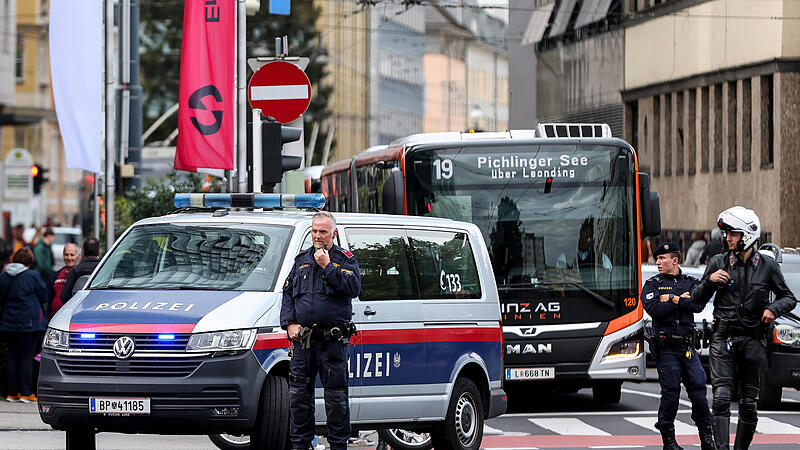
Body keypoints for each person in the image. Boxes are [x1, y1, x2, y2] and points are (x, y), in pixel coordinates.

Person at [693, 206, 797, 449]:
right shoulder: (718, 262)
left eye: (733, 233)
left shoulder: (768, 266)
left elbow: (788, 297)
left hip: (753, 339)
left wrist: (773, 309)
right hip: (722, 337)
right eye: (726, 233)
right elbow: (696, 301)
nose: (727, 238)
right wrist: (709, 281)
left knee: (749, 404)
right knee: (720, 399)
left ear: (748, 234)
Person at [280, 211, 361, 450]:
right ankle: (301, 446)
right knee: (299, 400)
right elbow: (287, 293)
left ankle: (338, 446)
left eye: (323, 232)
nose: (317, 236)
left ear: (333, 233)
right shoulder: (301, 260)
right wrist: (289, 324)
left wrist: (327, 267)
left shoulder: (344, 259)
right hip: (304, 343)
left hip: (332, 343)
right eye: (314, 231)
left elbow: (353, 287)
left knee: (336, 400)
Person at [642, 242, 714, 450]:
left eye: (662, 258)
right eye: (657, 259)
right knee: (671, 393)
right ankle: (669, 440)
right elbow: (654, 308)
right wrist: (680, 302)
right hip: (666, 349)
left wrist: (672, 299)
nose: (658, 262)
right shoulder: (652, 283)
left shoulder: (691, 282)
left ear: (675, 260)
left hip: (688, 347)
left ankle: (706, 437)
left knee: (699, 390)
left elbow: (697, 305)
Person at [0, 248, 48, 403]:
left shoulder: (4, 276)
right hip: (29, 324)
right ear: (29, 261)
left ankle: (12, 393)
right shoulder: (32, 276)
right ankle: (26, 392)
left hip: (8, 323)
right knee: (26, 357)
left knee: (13, 357)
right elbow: (44, 295)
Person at [60, 237, 101, 305]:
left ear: (83, 252)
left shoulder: (76, 270)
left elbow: (64, 296)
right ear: (99, 252)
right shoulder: (104, 270)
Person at [49, 242, 80, 316]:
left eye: (72, 255)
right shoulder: (55, 275)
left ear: (77, 257)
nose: (69, 258)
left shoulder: (80, 275)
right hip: (54, 317)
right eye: (66, 254)